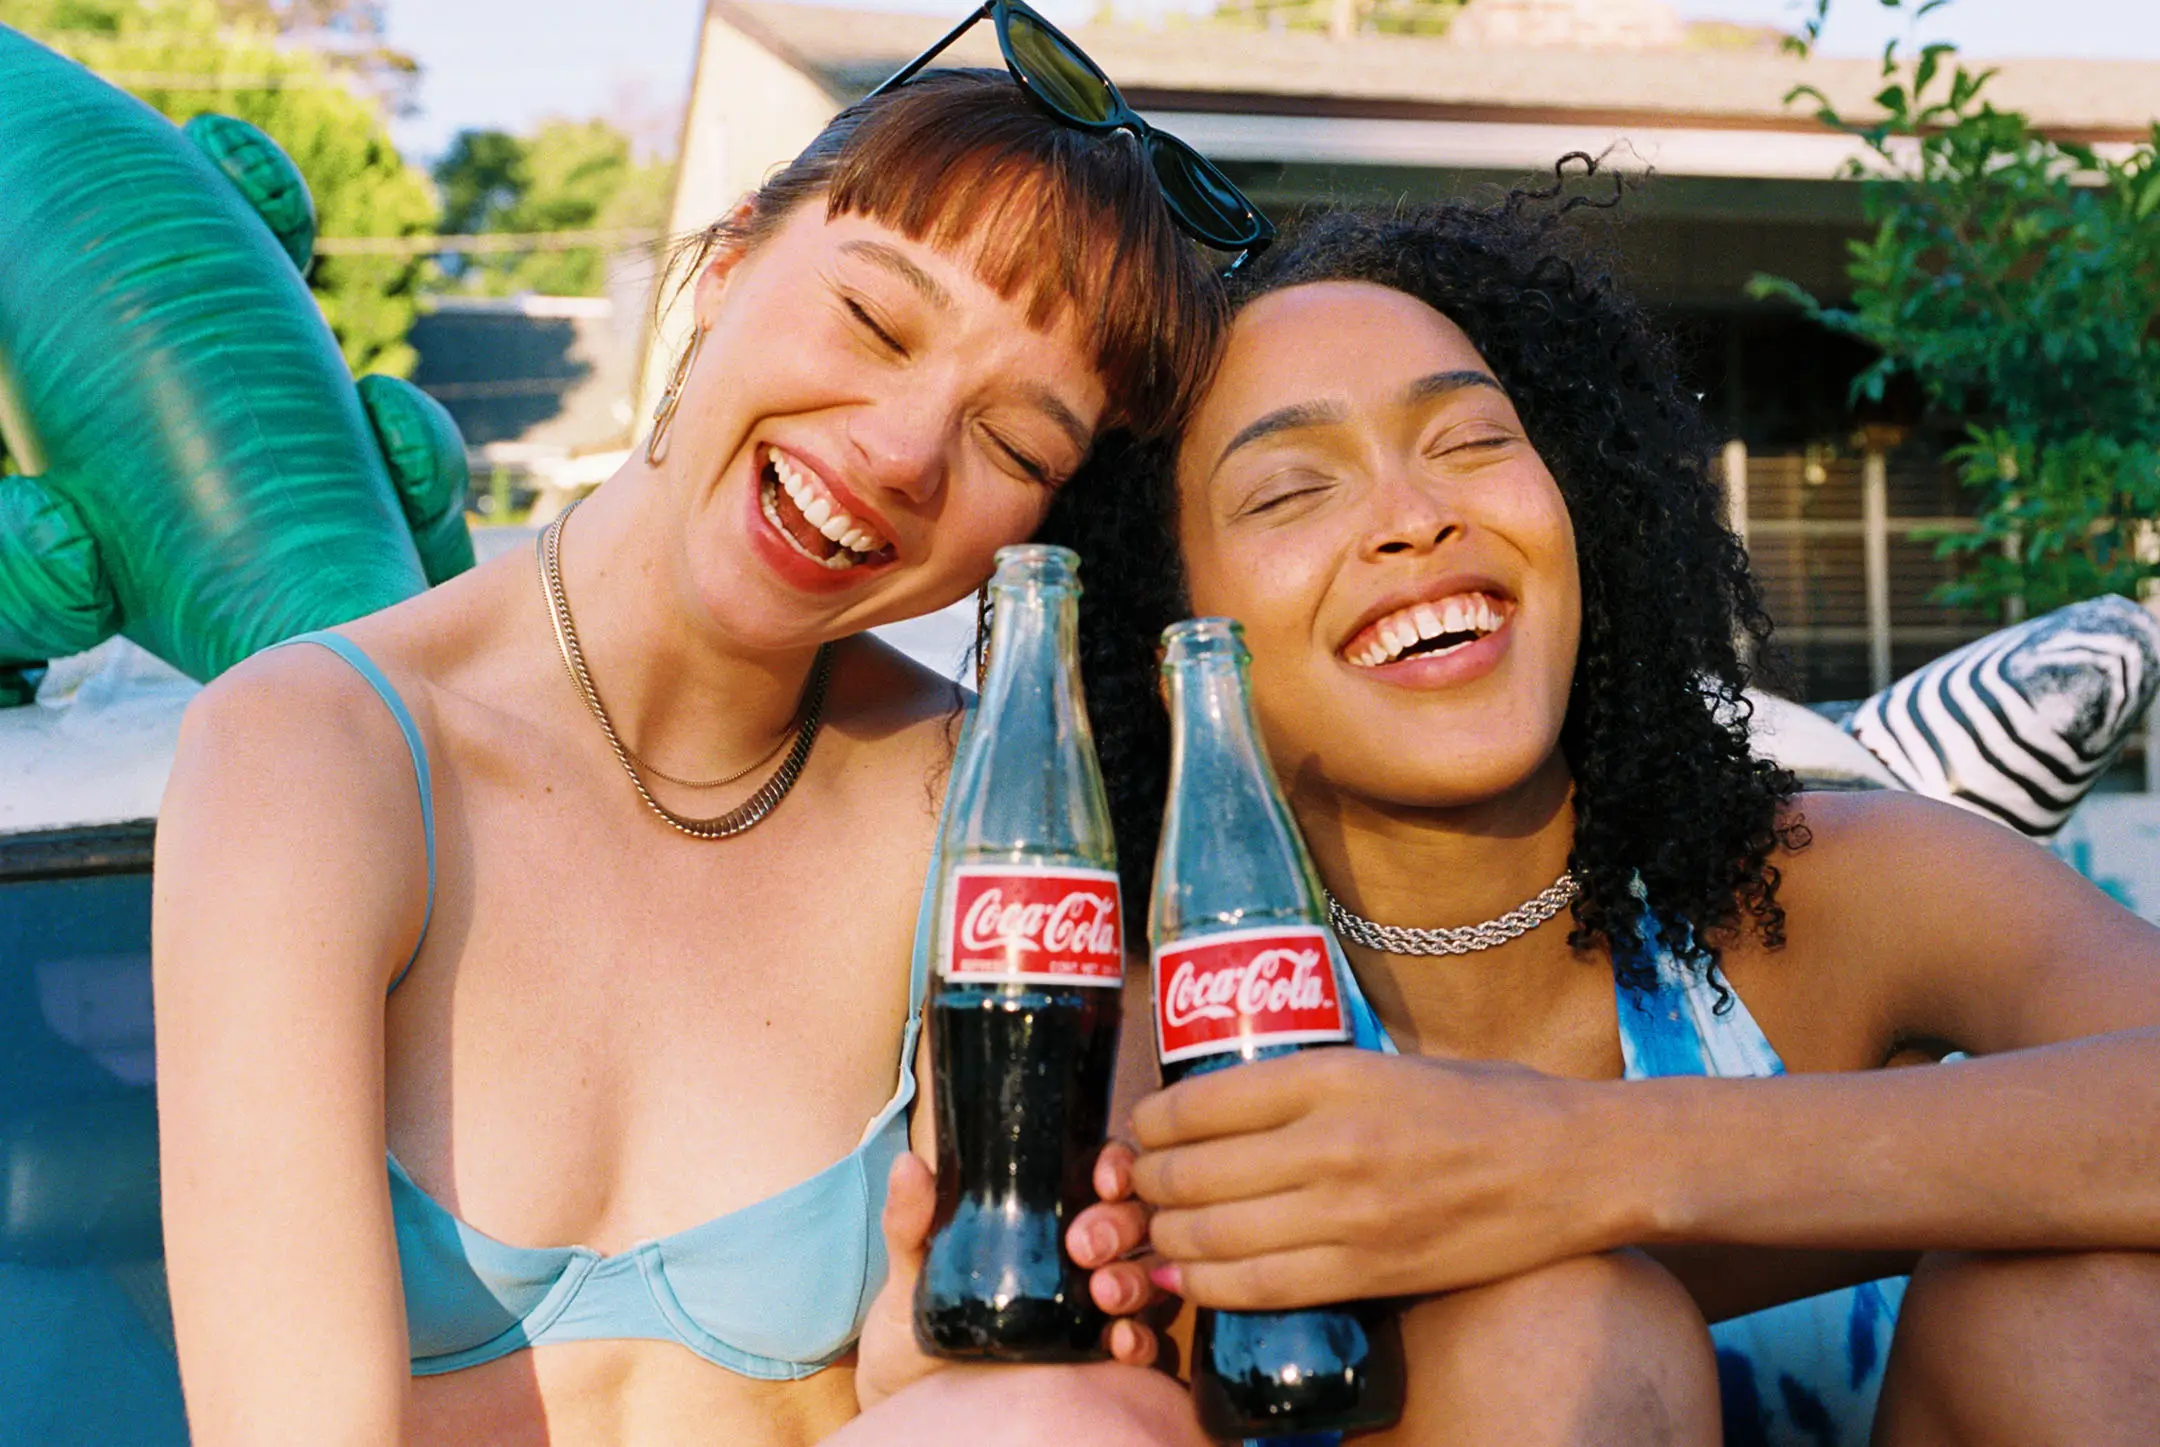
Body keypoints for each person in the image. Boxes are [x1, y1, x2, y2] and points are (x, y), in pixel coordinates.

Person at [152, 53, 1234, 1445]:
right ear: (728, 262)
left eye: (1013, 442)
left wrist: (941, 1374)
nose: (904, 451)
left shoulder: (995, 814)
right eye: (873, 321)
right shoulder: (317, 754)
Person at [1049, 192, 2160, 1446]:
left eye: (1470, 440)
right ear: (1167, 638)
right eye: (1291, 490)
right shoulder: (1152, 1031)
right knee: (1561, 1334)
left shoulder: (1841, 880)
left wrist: (1578, 1161)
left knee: (2092, 1283)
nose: (1415, 516)